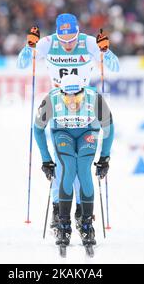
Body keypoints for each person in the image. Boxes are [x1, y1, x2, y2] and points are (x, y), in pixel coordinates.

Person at [16, 13, 119, 231]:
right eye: (64, 41)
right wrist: (29, 46)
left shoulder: (88, 41)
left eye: (72, 38)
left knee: (82, 167)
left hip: (85, 102)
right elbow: (22, 64)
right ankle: (58, 209)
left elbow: (115, 67)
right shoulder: (48, 43)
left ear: (78, 31)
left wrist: (105, 51)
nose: (69, 44)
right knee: (63, 167)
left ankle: (83, 211)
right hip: (59, 104)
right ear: (57, 36)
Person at [33, 74, 114, 247]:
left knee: (83, 170)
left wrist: (104, 158)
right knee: (68, 169)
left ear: (83, 92)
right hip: (63, 134)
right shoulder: (52, 99)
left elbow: (109, 128)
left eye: (77, 96)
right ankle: (63, 224)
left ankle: (86, 224)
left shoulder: (95, 99)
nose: (72, 101)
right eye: (67, 96)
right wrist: (46, 160)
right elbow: (37, 129)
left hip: (87, 133)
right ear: (61, 92)